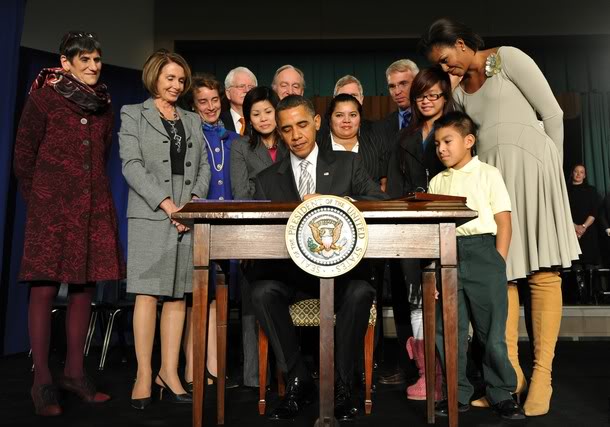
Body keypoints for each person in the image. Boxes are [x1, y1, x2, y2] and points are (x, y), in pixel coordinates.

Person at [420, 17, 581, 416]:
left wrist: (553, 175)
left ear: (460, 43)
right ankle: (510, 377)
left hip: (535, 175)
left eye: (446, 59)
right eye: (439, 66)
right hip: (495, 187)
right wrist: (451, 87)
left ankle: (541, 375)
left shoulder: (508, 58)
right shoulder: (457, 93)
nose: (445, 69)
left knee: (543, 274)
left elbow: (553, 114)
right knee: (502, 274)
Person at [250, 95, 388, 421]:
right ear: (280, 134)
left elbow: (379, 202)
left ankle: (343, 386)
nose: (296, 135)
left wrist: (334, 200)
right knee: (260, 291)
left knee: (361, 292)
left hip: (342, 274)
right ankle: (299, 380)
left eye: (301, 125)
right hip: (292, 276)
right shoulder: (268, 179)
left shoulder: (347, 164)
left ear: (315, 123)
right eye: (287, 129)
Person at [13, 30, 124, 417]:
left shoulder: (103, 105)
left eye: (97, 60)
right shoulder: (45, 98)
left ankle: (75, 373)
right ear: (66, 63)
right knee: (44, 288)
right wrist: (43, 200)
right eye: (86, 60)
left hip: (91, 206)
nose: (94, 66)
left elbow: (102, 152)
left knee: (83, 288)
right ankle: (42, 379)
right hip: (51, 208)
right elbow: (23, 154)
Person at [118, 49, 211, 409]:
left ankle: (169, 373)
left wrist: (189, 204)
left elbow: (202, 167)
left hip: (186, 214)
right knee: (147, 294)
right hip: (149, 212)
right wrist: (167, 203)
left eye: (181, 80)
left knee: (178, 295)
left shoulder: (192, 119)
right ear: (155, 77)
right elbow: (131, 165)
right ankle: (144, 374)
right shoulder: (132, 114)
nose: (177, 85)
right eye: (170, 78)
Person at [428, 111, 525, 420]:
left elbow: (504, 222)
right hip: (448, 255)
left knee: (491, 332)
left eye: (447, 141)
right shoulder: (436, 181)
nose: (441, 148)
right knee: (449, 330)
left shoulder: (488, 174)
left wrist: (498, 262)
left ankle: (501, 392)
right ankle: (457, 394)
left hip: (484, 253)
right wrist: (433, 274)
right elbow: (431, 232)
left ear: (468, 141)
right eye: (437, 144)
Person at [385, 67, 453, 401]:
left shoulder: (457, 130)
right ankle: (429, 375)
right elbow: (395, 189)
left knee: (450, 300)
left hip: (451, 226)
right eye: (421, 96)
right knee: (416, 301)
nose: (426, 101)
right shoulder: (403, 138)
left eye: (433, 95)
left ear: (445, 96)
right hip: (412, 229)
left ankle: (457, 375)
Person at [182, 74, 241, 390]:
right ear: (193, 105)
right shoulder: (190, 136)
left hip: (227, 230)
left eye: (214, 100)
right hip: (198, 229)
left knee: (220, 299)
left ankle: (215, 367)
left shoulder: (234, 140)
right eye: (202, 101)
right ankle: (193, 369)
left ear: (222, 100)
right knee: (196, 299)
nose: (209, 107)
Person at [318, 94, 388, 191]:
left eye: (353, 115)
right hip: (330, 204)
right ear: (330, 119)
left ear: (360, 119)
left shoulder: (375, 142)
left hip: (369, 203)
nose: (346, 120)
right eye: (339, 115)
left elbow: (384, 186)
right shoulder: (318, 146)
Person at [231, 86, 288, 200]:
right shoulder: (240, 146)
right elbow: (241, 194)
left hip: (292, 212)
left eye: (268, 112)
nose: (263, 119)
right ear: (250, 120)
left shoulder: (290, 141)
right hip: (257, 213)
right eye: (256, 114)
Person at [567, 164, 600, 303]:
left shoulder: (591, 191)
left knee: (589, 264)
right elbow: (564, 211)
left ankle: (591, 297)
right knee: (577, 263)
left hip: (589, 232)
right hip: (570, 230)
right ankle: (580, 297)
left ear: (585, 175)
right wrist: (574, 227)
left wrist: (583, 227)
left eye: (582, 172)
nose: (579, 174)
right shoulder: (565, 191)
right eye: (576, 171)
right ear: (572, 173)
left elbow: (594, 212)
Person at [376, 59, 419, 150]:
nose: (397, 92)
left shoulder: (432, 121)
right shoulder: (381, 127)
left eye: (403, 84)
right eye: (392, 86)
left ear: (417, 83)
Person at [219, 66, 257, 135]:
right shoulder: (219, 122)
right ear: (228, 93)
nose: (247, 90)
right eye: (241, 86)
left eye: (251, 87)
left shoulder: (262, 120)